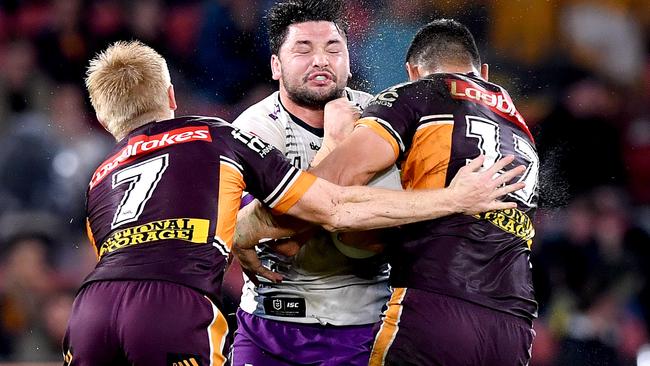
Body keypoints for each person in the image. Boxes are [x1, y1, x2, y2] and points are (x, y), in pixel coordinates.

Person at [61, 40, 524, 365]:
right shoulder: (221, 135)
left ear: (104, 119)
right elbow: (336, 206)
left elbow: (132, 254)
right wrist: (453, 197)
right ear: (170, 96)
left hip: (89, 311)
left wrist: (237, 234)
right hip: (172, 306)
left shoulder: (100, 176)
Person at [239, 19, 539, 365]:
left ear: (413, 71)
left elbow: (327, 190)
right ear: (483, 73)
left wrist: (247, 229)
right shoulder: (520, 128)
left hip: (436, 307)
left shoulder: (418, 95)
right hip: (514, 323)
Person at [229, 1, 401, 365]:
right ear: (276, 65)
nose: (321, 60)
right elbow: (275, 239)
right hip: (269, 322)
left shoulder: (381, 115)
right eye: (303, 49)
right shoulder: (252, 128)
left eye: (333, 48)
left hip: (362, 325)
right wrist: (335, 144)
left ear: (349, 62)